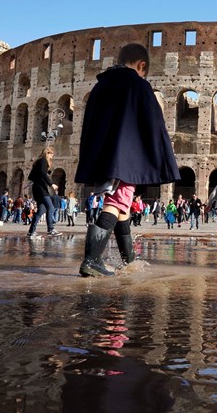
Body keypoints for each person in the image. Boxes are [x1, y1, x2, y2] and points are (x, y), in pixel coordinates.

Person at [74, 43, 180, 277]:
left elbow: (89, 124)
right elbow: (154, 125)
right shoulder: (139, 86)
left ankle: (129, 259)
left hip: (103, 155)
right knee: (116, 203)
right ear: (142, 66)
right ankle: (91, 260)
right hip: (126, 157)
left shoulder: (100, 86)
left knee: (123, 206)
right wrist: (158, 155)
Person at [27, 146, 62, 239]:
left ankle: (31, 232)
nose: (52, 155)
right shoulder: (43, 161)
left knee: (40, 211)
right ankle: (50, 229)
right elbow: (42, 173)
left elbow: (41, 173)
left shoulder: (40, 161)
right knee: (50, 207)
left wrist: (48, 172)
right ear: (47, 153)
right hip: (40, 188)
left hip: (39, 187)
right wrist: (51, 184)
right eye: (51, 153)